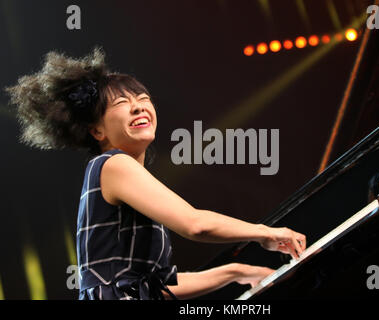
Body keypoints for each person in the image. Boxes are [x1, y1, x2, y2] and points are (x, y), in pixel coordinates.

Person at [5, 47, 306, 300]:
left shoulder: (126, 178)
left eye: (143, 99)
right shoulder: (112, 164)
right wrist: (266, 232)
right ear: (96, 130)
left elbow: (156, 288)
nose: (138, 108)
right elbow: (195, 224)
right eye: (123, 103)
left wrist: (237, 271)